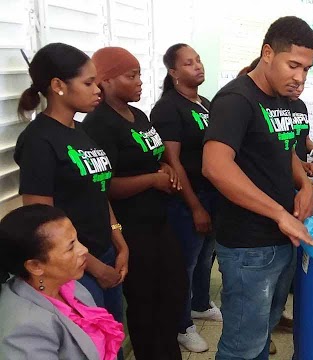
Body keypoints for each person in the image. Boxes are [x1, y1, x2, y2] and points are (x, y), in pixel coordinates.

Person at [202, 16, 313, 360]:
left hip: (281, 238)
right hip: (248, 246)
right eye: (293, 65)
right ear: (267, 53)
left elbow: (283, 153)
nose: (300, 77)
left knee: (262, 332)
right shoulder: (236, 100)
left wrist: (305, 186)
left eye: (307, 69)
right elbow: (215, 166)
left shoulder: (282, 101)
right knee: (243, 345)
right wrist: (280, 213)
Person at [13, 42, 128, 359]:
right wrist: (94, 266)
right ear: (58, 86)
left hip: (103, 256)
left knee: (110, 342)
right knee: (88, 348)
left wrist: (119, 241)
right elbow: (42, 222)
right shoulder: (39, 141)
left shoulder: (80, 131)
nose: (98, 90)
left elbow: (97, 189)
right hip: (72, 270)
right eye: (88, 83)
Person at [82, 46, 188, 360]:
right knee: (145, 304)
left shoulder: (138, 114)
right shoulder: (98, 125)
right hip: (131, 228)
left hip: (158, 220)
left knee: (173, 290)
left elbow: (153, 154)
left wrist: (165, 168)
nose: (140, 81)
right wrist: (152, 180)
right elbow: (106, 185)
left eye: (140, 73)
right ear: (106, 80)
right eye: (132, 75)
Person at [150, 43, 222, 353]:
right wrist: (194, 205)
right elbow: (173, 161)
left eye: (199, 59)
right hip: (186, 197)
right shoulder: (169, 107)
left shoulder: (204, 103)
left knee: (206, 255)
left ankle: (201, 304)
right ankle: (182, 325)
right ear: (173, 71)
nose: (197, 66)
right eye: (189, 63)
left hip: (211, 192)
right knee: (185, 264)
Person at [0, 204, 124, 360]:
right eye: (71, 247)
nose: (84, 250)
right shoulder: (24, 329)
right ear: (35, 266)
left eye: (77, 240)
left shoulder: (67, 285)